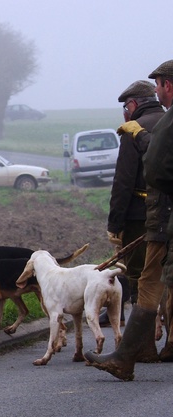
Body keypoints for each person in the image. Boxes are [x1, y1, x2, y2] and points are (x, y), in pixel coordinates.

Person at [86, 60, 173, 380]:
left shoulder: (139, 129)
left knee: (145, 281)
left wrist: (114, 223)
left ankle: (135, 353)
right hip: (162, 215)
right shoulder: (165, 119)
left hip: (154, 217)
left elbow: (129, 180)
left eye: (161, 84)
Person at [101, 81, 167, 335]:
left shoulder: (134, 130)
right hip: (166, 211)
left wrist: (115, 224)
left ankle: (144, 338)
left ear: (133, 105)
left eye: (125, 107)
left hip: (139, 216)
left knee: (139, 275)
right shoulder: (167, 120)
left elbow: (124, 181)